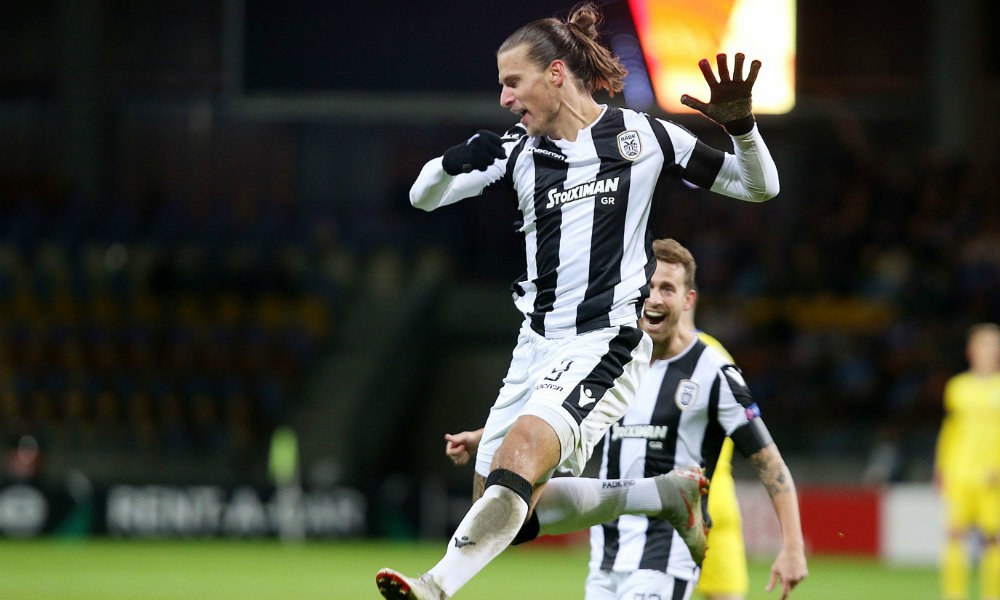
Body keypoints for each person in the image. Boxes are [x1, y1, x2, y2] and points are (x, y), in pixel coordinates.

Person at [377, 2, 780, 597]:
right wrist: (450, 162)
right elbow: (422, 196)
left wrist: (742, 129)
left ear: (556, 73)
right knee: (509, 511)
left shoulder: (644, 137)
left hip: (606, 339)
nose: (505, 98)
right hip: (534, 347)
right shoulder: (517, 150)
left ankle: (434, 587)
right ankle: (661, 495)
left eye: (513, 82)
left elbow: (758, 186)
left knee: (519, 457)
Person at [444, 239, 807, 600]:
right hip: (607, 554)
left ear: (687, 300)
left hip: (666, 555)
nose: (655, 298)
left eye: (667, 289)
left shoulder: (712, 369)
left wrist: (792, 546)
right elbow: (560, 413)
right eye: (649, 286)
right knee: (512, 509)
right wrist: (485, 436)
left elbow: (769, 462)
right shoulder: (611, 358)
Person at [935, 323, 1000, 600]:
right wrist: (941, 467)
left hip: (993, 477)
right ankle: (954, 595)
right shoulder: (957, 386)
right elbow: (950, 429)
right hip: (959, 473)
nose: (988, 350)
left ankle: (992, 595)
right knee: (953, 536)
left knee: (993, 539)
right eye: (983, 345)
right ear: (971, 350)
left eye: (993, 345)